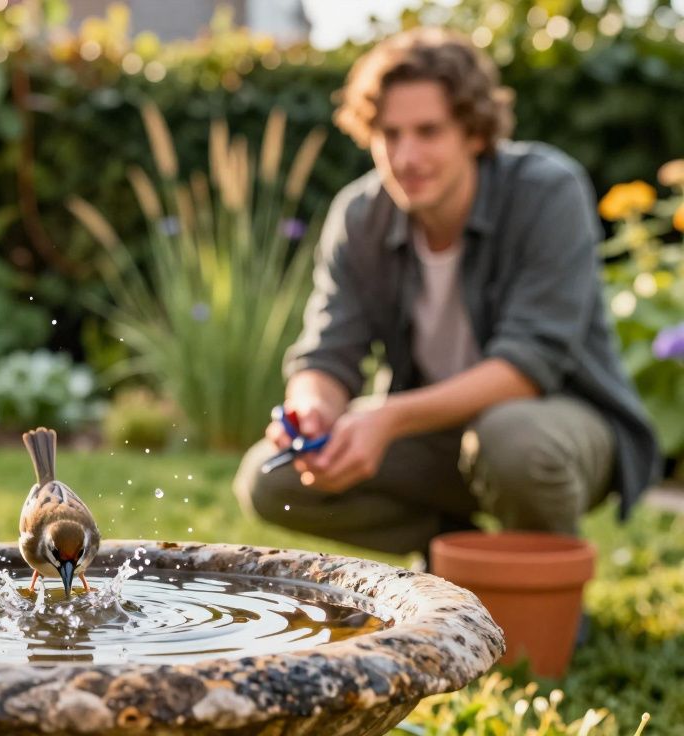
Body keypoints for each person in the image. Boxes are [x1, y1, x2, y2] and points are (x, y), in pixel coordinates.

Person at [232, 27, 659, 561]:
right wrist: (310, 411)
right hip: (435, 434)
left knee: (511, 439)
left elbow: (530, 364)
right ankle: (458, 558)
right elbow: (327, 352)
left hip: (555, 426)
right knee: (272, 479)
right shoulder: (361, 215)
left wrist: (387, 418)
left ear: (474, 133)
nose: (406, 157)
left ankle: (542, 593)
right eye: (389, 134)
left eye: (428, 131)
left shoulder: (547, 189)